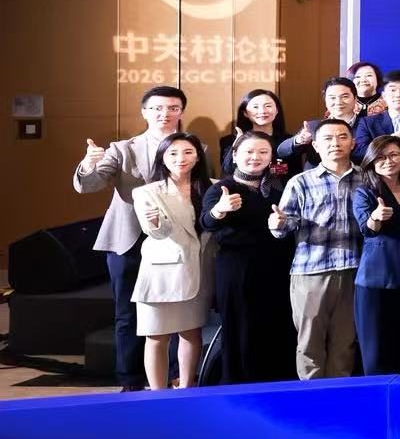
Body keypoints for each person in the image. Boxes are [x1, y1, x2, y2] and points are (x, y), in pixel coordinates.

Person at [73, 84, 187, 389]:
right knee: (127, 313)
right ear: (144, 112)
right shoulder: (122, 148)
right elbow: (90, 185)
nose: (165, 114)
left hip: (175, 241)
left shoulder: (194, 147)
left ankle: (173, 377)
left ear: (181, 112)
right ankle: (130, 379)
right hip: (128, 240)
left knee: (176, 312)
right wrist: (88, 164)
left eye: (173, 108)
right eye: (157, 108)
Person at [269, 117, 365, 379]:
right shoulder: (300, 182)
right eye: (327, 138)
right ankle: (312, 396)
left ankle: (338, 396)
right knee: (309, 342)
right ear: (316, 145)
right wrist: (279, 223)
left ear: (353, 143)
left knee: (345, 343)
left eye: (342, 137)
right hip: (311, 271)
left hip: (354, 270)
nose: (335, 143)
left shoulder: (367, 179)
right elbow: (284, 224)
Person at [201, 131, 296, 384]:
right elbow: (206, 222)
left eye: (263, 152)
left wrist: (285, 222)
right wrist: (219, 210)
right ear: (235, 155)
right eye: (249, 152)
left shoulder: (280, 187)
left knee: (278, 325)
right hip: (238, 268)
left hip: (277, 266)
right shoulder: (222, 188)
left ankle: (279, 385)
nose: (255, 157)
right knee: (241, 328)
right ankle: (239, 387)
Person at [130, 132, 212, 388]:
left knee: (192, 333)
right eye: (173, 153)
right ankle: (158, 394)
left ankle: (187, 389)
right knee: (157, 336)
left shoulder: (213, 187)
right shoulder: (147, 192)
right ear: (162, 158)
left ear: (198, 156)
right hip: (161, 275)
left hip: (199, 270)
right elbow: (156, 232)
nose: (181, 158)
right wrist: (155, 221)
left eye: (188, 152)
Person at [351, 135, 400, 375]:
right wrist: (375, 217)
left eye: (394, 155)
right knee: (376, 351)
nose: (388, 161)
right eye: (381, 157)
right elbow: (367, 229)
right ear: (371, 161)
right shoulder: (365, 191)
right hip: (376, 279)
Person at [352, 70, 400, 168]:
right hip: (379, 176)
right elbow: (360, 155)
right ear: (384, 95)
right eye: (393, 90)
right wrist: (398, 135)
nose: (398, 94)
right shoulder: (367, 123)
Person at [280, 77, 359, 173]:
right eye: (332, 98)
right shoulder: (313, 127)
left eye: (344, 97)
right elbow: (282, 151)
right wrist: (299, 140)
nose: (338, 102)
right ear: (325, 101)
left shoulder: (369, 125)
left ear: (355, 99)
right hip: (315, 180)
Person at [219, 89, 288, 173]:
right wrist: (237, 145)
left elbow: (294, 173)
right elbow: (227, 171)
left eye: (268, 106)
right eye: (255, 107)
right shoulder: (230, 140)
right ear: (245, 113)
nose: (262, 111)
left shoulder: (288, 142)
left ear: (277, 110)